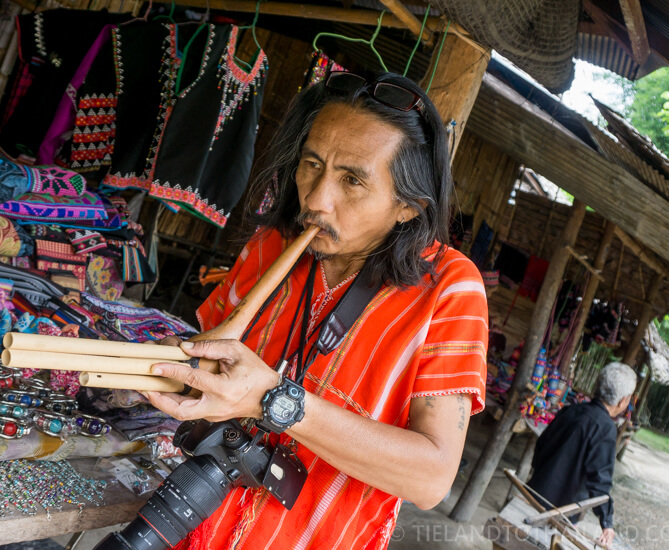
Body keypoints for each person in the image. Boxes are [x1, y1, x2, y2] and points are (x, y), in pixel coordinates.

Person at [144, 70, 489, 549]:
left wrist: (274, 400)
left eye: (352, 180)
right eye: (312, 165)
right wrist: (180, 368)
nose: (317, 200)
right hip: (196, 527)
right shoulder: (271, 246)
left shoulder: (449, 288)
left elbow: (430, 478)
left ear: (408, 206)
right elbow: (210, 353)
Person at [527, 362, 638, 549]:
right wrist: (607, 523)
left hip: (532, 495)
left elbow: (540, 449)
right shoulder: (605, 429)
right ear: (623, 401)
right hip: (560, 514)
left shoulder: (570, 410)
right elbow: (599, 483)